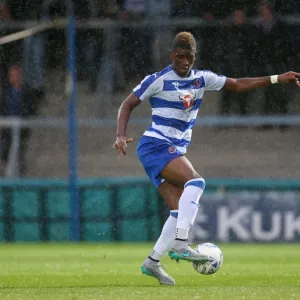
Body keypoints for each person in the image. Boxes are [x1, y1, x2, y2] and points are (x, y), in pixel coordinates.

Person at [113, 32, 300, 285]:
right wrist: (121, 135)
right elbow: (127, 104)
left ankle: (152, 263)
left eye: (189, 57)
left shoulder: (202, 79)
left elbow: (237, 84)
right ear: (171, 56)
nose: (184, 62)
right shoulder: (157, 80)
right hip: (155, 144)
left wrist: (277, 78)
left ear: (194, 57)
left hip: (173, 149)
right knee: (196, 183)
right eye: (179, 57)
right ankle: (181, 244)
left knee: (178, 210)